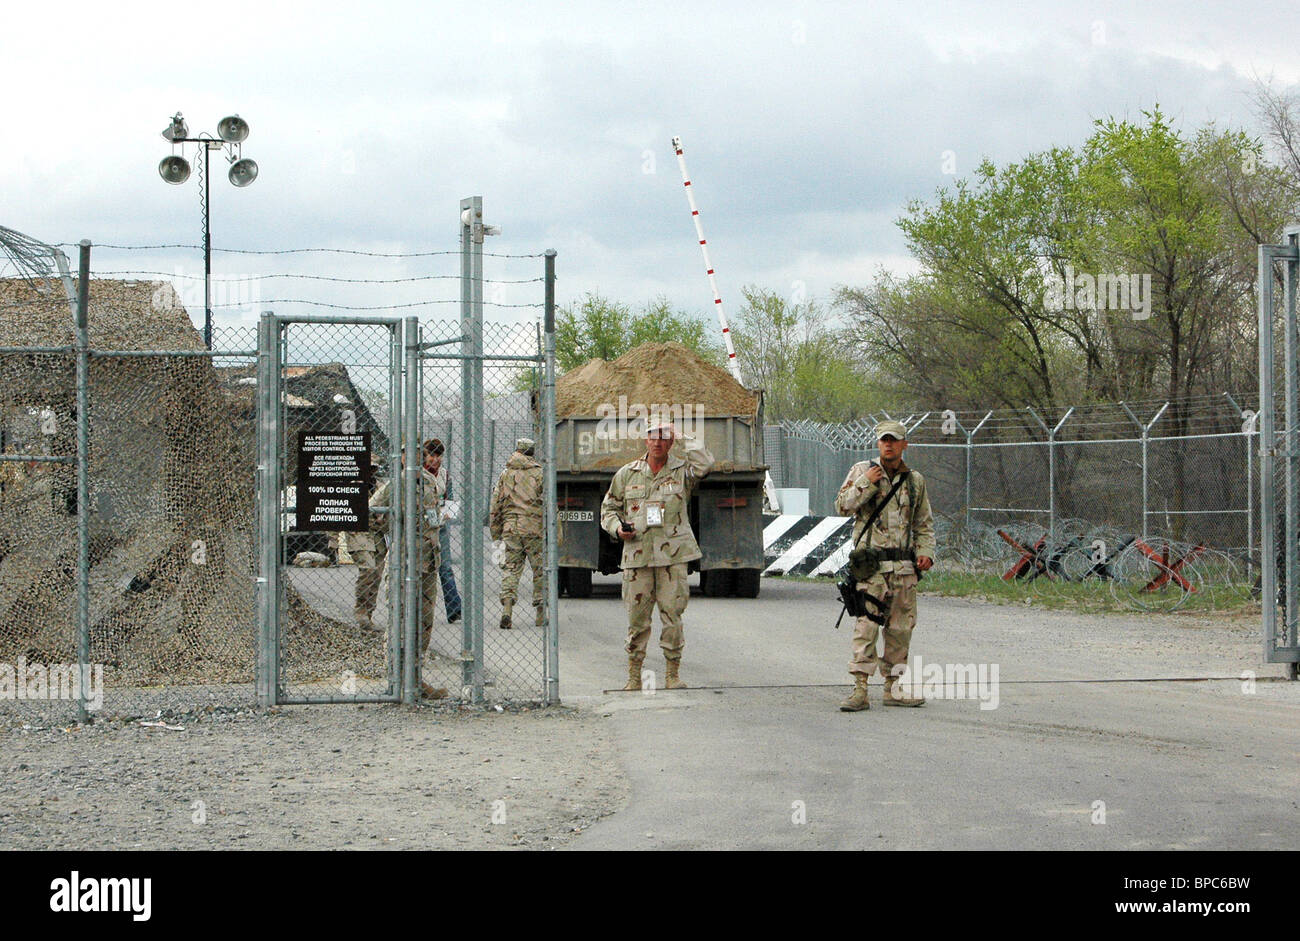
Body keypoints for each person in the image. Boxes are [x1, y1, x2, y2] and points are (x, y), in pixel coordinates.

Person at [600, 419, 713, 691]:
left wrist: (683, 435)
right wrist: (617, 529)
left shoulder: (682, 472)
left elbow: (706, 464)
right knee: (636, 620)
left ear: (671, 442)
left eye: (664, 438)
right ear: (645, 440)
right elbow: (608, 509)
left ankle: (672, 675)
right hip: (637, 557)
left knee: (672, 617)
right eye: (653, 437)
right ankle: (634, 677)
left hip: (672, 559)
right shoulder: (628, 473)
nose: (657, 442)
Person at [835, 420, 935, 711]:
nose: (888, 445)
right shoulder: (862, 470)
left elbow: (923, 524)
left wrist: (926, 552)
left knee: (900, 629)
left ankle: (894, 688)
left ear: (904, 444)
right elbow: (842, 506)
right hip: (872, 568)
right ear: (878, 443)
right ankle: (860, 689)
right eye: (883, 440)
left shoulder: (915, 480)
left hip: (903, 568)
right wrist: (866, 482)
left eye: (894, 440)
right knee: (866, 627)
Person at [361, 440, 448, 699]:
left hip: (428, 560)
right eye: (405, 454)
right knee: (399, 620)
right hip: (402, 560)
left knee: (424, 621)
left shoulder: (429, 481)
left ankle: (415, 678)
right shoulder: (396, 483)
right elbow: (371, 510)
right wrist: (389, 526)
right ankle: (395, 680)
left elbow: (433, 517)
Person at [489, 437, 544, 630]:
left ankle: (507, 609)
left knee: (511, 568)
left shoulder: (505, 474)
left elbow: (495, 506)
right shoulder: (539, 473)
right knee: (540, 569)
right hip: (534, 527)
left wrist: (495, 533)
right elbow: (548, 503)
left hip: (510, 528)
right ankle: (540, 611)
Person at [425, 439, 462, 623]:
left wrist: (443, 516)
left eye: (439, 456)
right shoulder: (418, 474)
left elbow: (451, 502)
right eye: (432, 455)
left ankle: (454, 608)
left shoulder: (445, 475)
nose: (436, 460)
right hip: (422, 528)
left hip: (440, 527)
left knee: (445, 567)